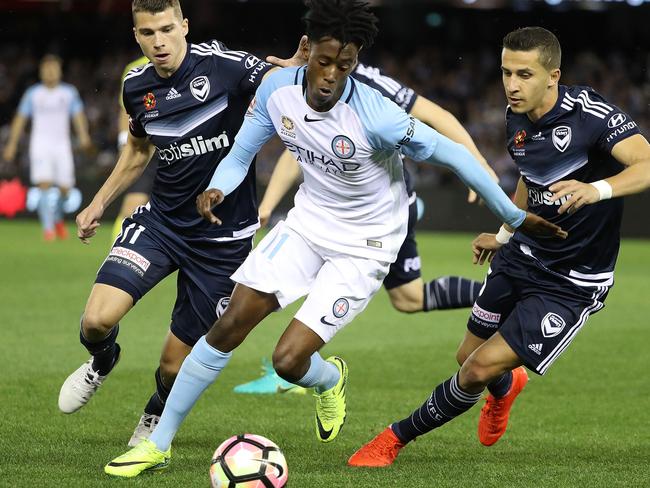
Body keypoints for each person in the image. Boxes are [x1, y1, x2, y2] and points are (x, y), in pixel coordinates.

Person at [104, 2, 563, 478]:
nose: (329, 76)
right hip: (307, 224)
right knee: (228, 323)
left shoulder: (377, 116)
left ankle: (329, 379)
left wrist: (512, 215)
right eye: (322, 62)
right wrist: (219, 185)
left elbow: (453, 155)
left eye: (343, 66)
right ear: (309, 52)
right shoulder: (277, 90)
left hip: (365, 245)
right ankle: (158, 443)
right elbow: (241, 154)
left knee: (287, 360)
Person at [348, 26, 650, 468]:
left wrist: (597, 189)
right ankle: (508, 389)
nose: (511, 85)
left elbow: (646, 163)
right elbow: (530, 177)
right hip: (522, 255)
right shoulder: (516, 117)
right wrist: (506, 232)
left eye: (524, 74)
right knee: (465, 355)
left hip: (571, 283)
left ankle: (393, 439)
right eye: (506, 72)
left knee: (475, 369)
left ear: (553, 75)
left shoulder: (591, 115)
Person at [57, 0, 303, 449]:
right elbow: (137, 150)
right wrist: (98, 202)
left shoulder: (224, 65)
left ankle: (154, 414)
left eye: (168, 29)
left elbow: (277, 79)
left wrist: (293, 70)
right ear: (136, 36)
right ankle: (102, 360)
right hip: (161, 224)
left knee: (173, 365)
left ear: (184, 26)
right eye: (148, 33)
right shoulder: (136, 86)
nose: (160, 42)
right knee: (95, 321)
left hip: (222, 242)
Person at [235, 63, 499, 394]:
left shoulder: (371, 85)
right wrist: (268, 205)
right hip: (335, 211)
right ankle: (302, 363)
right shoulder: (305, 83)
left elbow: (439, 116)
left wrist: (480, 163)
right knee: (408, 298)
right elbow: (297, 150)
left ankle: (300, 362)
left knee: (390, 291)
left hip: (381, 210)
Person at [2, 54, 92, 241]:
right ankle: (48, 228)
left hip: (62, 145)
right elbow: (20, 119)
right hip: (40, 144)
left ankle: (57, 219)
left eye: (54, 68)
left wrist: (84, 136)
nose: (50, 72)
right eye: (46, 69)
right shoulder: (33, 93)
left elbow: (78, 116)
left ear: (60, 71)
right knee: (44, 184)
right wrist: (11, 144)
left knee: (66, 188)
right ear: (41, 71)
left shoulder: (69, 92)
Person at [111, 55, 159, 242]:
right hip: (146, 149)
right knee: (132, 206)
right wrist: (124, 141)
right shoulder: (134, 68)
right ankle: (117, 256)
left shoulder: (190, 61)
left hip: (183, 149)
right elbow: (126, 109)